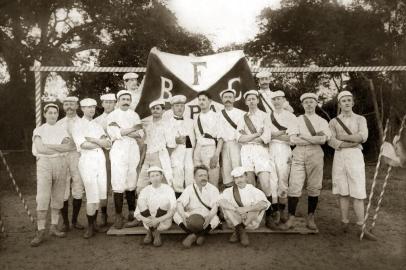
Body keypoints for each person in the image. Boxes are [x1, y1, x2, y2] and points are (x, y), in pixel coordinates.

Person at [328, 91, 377, 240]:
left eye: (349, 100)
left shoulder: (360, 119)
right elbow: (331, 140)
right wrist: (349, 141)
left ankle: (361, 226)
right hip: (340, 155)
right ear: (340, 104)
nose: (347, 103)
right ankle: (344, 223)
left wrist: (342, 137)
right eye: (344, 101)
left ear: (353, 102)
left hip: (355, 156)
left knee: (358, 190)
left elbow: (363, 136)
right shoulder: (334, 122)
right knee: (342, 190)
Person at [280, 93, 331, 231]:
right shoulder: (297, 120)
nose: (309, 104)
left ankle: (311, 217)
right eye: (306, 102)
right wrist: (312, 137)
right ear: (302, 105)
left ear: (316, 104)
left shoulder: (322, 121)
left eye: (311, 102)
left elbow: (323, 140)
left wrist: (302, 135)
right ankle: (291, 217)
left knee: (314, 186)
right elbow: (293, 140)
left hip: (315, 153)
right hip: (298, 153)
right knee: (294, 185)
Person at [30, 103, 75, 247]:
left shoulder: (62, 130)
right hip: (44, 164)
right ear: (44, 114)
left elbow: (69, 146)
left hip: (61, 163)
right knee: (43, 197)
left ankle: (53, 226)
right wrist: (57, 148)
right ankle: (40, 230)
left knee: (58, 196)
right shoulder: (39, 130)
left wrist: (49, 146)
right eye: (50, 113)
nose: (53, 115)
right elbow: (40, 149)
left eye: (55, 113)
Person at [235, 90, 278, 230]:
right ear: (246, 102)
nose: (251, 101)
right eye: (249, 99)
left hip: (260, 151)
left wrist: (250, 136)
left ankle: (270, 215)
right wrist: (256, 134)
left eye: (254, 99)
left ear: (257, 100)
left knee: (265, 183)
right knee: (250, 184)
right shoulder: (242, 118)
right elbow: (239, 138)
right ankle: (255, 216)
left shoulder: (265, 116)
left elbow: (266, 137)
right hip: (246, 151)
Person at [72, 98, 111, 238]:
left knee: (100, 193)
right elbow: (83, 145)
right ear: (82, 109)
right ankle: (89, 227)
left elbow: (108, 143)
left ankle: (94, 224)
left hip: (100, 159)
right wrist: (100, 142)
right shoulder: (77, 125)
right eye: (88, 107)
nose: (91, 110)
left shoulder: (97, 125)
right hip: (87, 160)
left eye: (93, 107)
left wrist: (94, 140)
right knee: (91, 194)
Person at [107, 90, 144, 229]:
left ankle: (131, 212)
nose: (126, 101)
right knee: (118, 181)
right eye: (123, 98)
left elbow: (140, 133)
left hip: (132, 149)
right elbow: (114, 133)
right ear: (118, 100)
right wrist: (131, 130)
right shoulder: (112, 115)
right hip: (118, 149)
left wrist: (123, 130)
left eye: (128, 98)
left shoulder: (134, 115)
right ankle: (118, 215)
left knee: (131, 180)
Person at [218, 167, 270, 247]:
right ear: (234, 180)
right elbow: (220, 201)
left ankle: (240, 228)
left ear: (246, 177)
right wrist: (236, 209)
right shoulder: (228, 191)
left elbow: (264, 204)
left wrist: (246, 209)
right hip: (234, 222)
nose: (239, 180)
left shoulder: (253, 190)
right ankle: (240, 229)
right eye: (236, 178)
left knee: (256, 206)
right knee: (225, 205)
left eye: (241, 177)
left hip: (250, 223)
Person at [268, 90, 298, 223]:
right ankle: (274, 211)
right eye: (274, 99)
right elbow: (265, 136)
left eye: (279, 99)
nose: (276, 101)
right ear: (271, 101)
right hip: (270, 149)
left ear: (284, 100)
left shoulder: (291, 117)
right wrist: (279, 134)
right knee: (271, 180)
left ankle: (282, 209)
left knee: (283, 180)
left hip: (285, 149)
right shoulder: (267, 116)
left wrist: (274, 134)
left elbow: (292, 139)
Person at [173, 165, 220, 248]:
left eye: (205, 175)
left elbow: (215, 206)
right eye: (200, 175)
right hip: (191, 214)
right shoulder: (189, 188)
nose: (203, 177)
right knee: (176, 215)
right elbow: (180, 203)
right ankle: (198, 235)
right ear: (194, 177)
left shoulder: (213, 189)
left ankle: (196, 235)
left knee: (215, 219)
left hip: (206, 215)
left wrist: (209, 217)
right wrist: (183, 216)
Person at [57, 96, 85, 231]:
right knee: (63, 188)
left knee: (78, 187)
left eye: (72, 104)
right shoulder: (58, 123)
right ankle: (65, 222)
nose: (69, 106)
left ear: (77, 106)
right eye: (66, 104)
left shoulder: (82, 122)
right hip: (62, 157)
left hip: (77, 156)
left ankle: (75, 220)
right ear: (63, 106)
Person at [137, 99, 176, 193]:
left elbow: (171, 145)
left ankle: (166, 205)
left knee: (163, 184)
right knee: (140, 186)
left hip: (159, 156)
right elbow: (146, 144)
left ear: (163, 111)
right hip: (147, 157)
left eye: (158, 108)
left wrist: (164, 157)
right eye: (153, 108)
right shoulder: (148, 125)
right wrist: (142, 160)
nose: (155, 110)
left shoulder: (167, 125)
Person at [134, 166, 177, 247]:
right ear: (149, 179)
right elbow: (137, 213)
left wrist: (157, 220)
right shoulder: (145, 190)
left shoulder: (168, 189)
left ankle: (150, 232)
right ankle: (155, 232)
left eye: (157, 175)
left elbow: (173, 209)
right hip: (148, 221)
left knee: (165, 201)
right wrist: (146, 220)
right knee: (141, 201)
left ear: (162, 176)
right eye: (152, 176)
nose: (155, 178)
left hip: (163, 222)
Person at [93, 93, 116, 227]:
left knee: (120, 183)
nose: (108, 105)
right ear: (102, 104)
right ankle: (104, 213)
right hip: (104, 154)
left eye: (111, 102)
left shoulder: (121, 117)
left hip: (120, 153)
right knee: (104, 184)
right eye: (106, 102)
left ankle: (121, 213)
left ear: (115, 103)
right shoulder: (97, 121)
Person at [193, 91, 223, 188]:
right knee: (198, 178)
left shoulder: (216, 116)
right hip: (198, 148)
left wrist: (216, 155)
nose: (201, 102)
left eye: (204, 99)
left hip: (210, 147)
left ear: (210, 101)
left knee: (212, 179)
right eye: (200, 100)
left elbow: (221, 138)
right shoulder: (196, 117)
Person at [168, 95, 195, 198]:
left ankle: (189, 201)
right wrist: (175, 141)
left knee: (189, 173)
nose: (179, 108)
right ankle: (177, 202)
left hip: (188, 152)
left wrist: (188, 151)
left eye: (181, 106)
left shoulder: (190, 122)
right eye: (177, 106)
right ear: (172, 108)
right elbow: (167, 140)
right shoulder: (167, 123)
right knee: (177, 176)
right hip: (175, 153)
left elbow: (191, 139)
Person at [218, 88, 244, 188]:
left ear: (234, 99)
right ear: (222, 99)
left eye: (230, 97)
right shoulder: (218, 114)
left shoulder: (241, 114)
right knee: (226, 172)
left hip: (237, 144)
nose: (228, 99)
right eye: (225, 97)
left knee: (238, 170)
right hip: (224, 145)